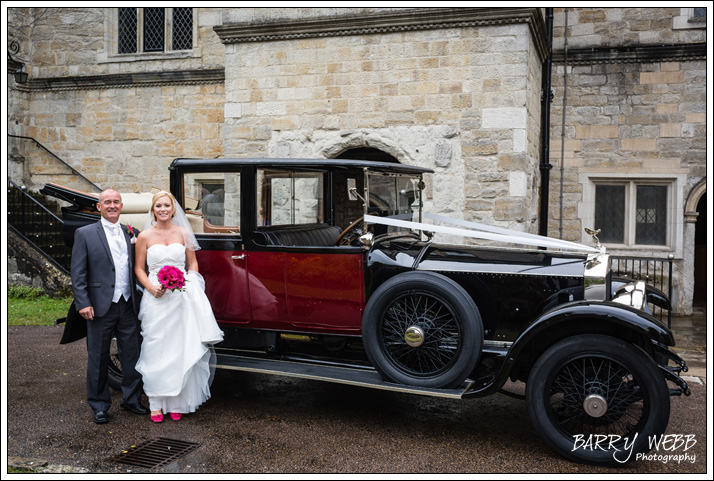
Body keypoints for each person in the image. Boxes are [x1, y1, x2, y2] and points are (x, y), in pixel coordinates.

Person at [134, 191, 224, 423]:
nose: (163, 209)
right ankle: (156, 402)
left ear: (173, 209)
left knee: (179, 348)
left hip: (181, 298)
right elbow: (139, 269)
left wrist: (189, 283)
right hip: (156, 299)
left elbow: (192, 263)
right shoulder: (144, 236)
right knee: (157, 347)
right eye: (158, 206)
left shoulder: (183, 233)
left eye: (167, 206)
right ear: (153, 210)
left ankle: (177, 402)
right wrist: (152, 288)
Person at [71, 188, 148, 424]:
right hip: (99, 306)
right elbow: (78, 271)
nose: (112, 206)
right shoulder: (84, 233)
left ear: (121, 206)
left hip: (128, 304)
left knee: (132, 355)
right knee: (98, 356)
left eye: (116, 202)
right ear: (99, 207)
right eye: (107, 202)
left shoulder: (131, 232)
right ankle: (100, 405)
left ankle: (132, 399)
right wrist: (83, 302)